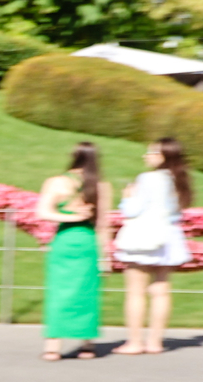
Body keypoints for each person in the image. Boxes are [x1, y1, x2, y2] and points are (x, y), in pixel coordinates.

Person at [111, 136, 193, 355]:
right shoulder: (179, 180)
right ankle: (155, 341)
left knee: (136, 291)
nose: (146, 156)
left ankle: (135, 341)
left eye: (151, 152)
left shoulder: (147, 179)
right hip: (168, 237)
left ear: (163, 156)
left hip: (144, 237)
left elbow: (132, 211)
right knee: (161, 290)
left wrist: (126, 197)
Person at [34, 143, 111, 360]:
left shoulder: (56, 182)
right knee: (87, 292)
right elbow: (103, 224)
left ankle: (53, 345)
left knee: (59, 292)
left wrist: (69, 217)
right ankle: (87, 344)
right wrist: (105, 258)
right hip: (87, 241)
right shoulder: (101, 185)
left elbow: (43, 212)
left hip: (65, 241)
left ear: (73, 156)